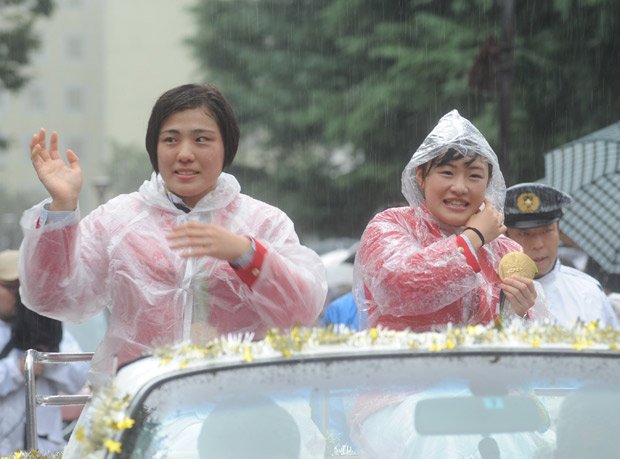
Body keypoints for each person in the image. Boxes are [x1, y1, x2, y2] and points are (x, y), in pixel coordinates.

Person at [18, 83, 327, 389]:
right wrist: (61, 209)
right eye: (170, 139)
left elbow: (301, 311)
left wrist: (246, 253)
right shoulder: (118, 219)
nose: (185, 154)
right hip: (135, 407)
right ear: (154, 146)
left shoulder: (264, 222)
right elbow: (51, 296)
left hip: (240, 407)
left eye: (202, 139)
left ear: (227, 147)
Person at [353, 110, 548, 332]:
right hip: (405, 365)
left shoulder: (505, 251)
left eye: (474, 176)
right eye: (447, 173)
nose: (459, 187)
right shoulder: (389, 225)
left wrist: (518, 312)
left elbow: (516, 342)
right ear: (421, 176)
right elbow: (397, 286)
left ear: (488, 183)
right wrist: (473, 238)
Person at [0, 250, 88, 455]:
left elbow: (79, 377)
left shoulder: (46, 326)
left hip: (42, 448)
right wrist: (18, 369)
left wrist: (46, 362)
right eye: (12, 288)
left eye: (24, 288)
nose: (19, 295)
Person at [504, 183, 618, 328]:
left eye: (547, 230)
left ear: (559, 232)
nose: (538, 244)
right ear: (506, 237)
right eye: (524, 233)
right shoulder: (489, 293)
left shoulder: (588, 292)